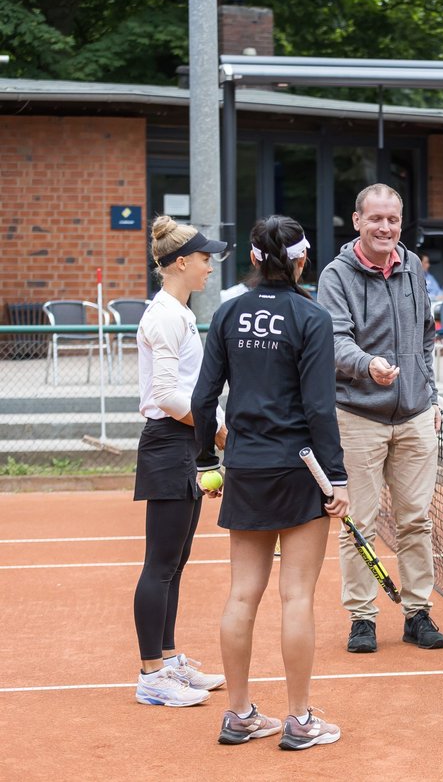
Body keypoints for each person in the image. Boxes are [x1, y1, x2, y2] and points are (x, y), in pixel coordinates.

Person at [192, 215, 349, 749]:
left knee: (242, 594)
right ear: (303, 259)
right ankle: (299, 720)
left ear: (253, 259)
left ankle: (238, 715)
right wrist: (338, 478)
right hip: (301, 469)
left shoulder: (228, 312)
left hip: (246, 467)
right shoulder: (311, 316)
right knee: (297, 596)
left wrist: (204, 464)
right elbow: (320, 409)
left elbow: (202, 398)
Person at [318, 183, 443, 656]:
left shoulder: (412, 266)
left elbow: (427, 339)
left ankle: (418, 613)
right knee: (360, 524)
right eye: (376, 219)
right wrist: (367, 365)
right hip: (358, 416)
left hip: (415, 414)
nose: (385, 227)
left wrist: (432, 398)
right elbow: (335, 341)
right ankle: (363, 618)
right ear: (357, 221)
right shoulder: (336, 275)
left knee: (417, 520)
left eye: (393, 219)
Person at [131, 216, 229, 708]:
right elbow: (167, 394)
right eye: (205, 258)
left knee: (176, 562)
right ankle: (151, 674)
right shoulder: (166, 316)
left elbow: (187, 390)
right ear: (182, 262)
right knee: (161, 564)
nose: (210, 266)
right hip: (170, 441)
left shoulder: (179, 312)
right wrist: (216, 431)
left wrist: (208, 442)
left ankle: (168, 660)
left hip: (183, 443)